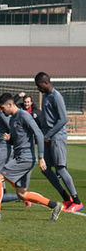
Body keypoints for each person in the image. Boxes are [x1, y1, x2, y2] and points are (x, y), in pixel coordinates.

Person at [0, 93, 63, 222]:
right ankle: (54, 205)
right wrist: (10, 139)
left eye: (2, 108)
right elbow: (19, 138)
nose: (1, 111)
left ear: (10, 104)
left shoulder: (24, 116)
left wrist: (41, 157)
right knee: (21, 193)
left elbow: (39, 135)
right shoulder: (12, 119)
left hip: (25, 158)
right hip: (21, 158)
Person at [36, 72, 83, 212]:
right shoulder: (45, 95)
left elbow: (63, 119)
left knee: (61, 169)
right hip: (47, 137)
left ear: (45, 83)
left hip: (56, 137)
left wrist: (49, 134)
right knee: (45, 169)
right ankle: (66, 198)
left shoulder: (57, 97)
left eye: (39, 85)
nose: (38, 88)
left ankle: (77, 201)